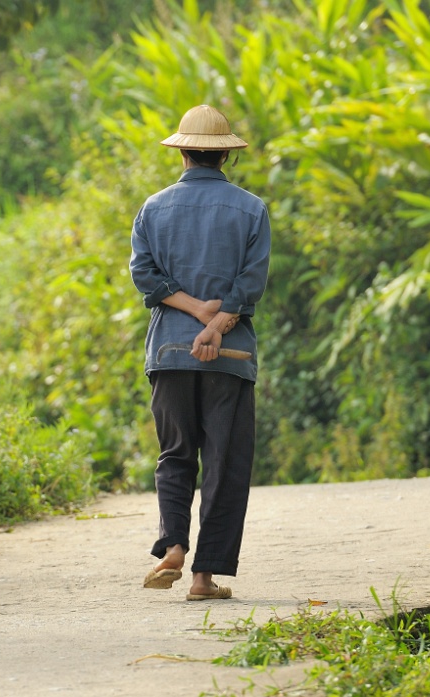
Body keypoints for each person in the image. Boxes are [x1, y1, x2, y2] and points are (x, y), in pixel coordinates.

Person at [129, 104, 270, 601]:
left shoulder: (153, 208)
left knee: (176, 454)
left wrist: (189, 310)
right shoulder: (252, 209)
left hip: (169, 351)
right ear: (225, 157)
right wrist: (216, 324)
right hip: (230, 358)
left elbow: (144, 275)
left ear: (183, 153)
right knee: (224, 462)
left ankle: (171, 544)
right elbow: (251, 282)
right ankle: (203, 578)